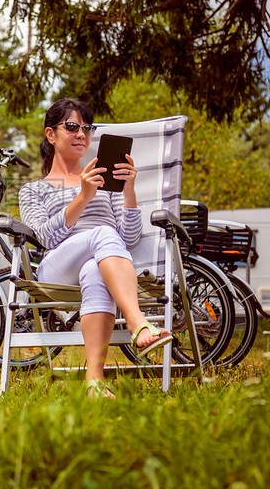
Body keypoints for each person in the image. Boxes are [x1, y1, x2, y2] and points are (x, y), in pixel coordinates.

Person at [18, 98, 172, 398]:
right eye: (72, 127)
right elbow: (45, 238)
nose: (81, 135)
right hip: (56, 272)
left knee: (95, 267)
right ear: (51, 134)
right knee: (102, 233)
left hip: (104, 262)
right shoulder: (33, 190)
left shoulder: (104, 180)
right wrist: (84, 196)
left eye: (87, 128)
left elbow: (128, 239)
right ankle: (138, 322)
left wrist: (129, 190)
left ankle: (94, 383)